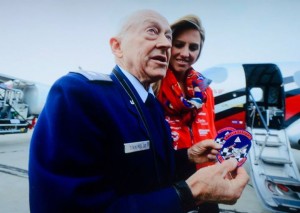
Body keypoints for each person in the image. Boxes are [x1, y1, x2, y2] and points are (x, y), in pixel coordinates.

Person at [28, 9, 249, 213]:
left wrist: (188, 156)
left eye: (168, 36)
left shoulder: (150, 105)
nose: (165, 44)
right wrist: (190, 192)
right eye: (152, 32)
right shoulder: (79, 94)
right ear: (117, 46)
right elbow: (67, 205)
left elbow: (149, 170)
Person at [153, 15, 219, 212]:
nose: (185, 53)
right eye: (179, 44)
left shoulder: (205, 90)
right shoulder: (152, 85)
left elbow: (211, 129)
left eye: (193, 47)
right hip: (168, 178)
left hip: (205, 174)